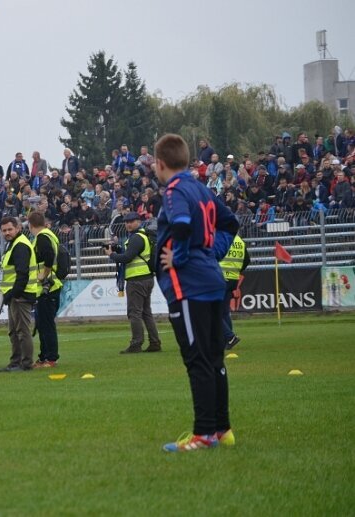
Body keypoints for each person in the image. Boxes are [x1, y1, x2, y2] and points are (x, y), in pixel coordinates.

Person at [152, 134, 240, 452]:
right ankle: (222, 429)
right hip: (212, 281)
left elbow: (182, 225)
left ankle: (203, 434)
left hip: (188, 286)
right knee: (214, 358)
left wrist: (182, 256)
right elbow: (231, 223)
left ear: (159, 164)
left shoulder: (174, 190)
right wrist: (211, 252)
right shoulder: (201, 188)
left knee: (197, 360)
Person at [105, 212, 162, 353]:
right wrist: (118, 251)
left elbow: (127, 258)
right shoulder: (142, 236)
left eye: (131, 221)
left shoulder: (136, 238)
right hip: (146, 278)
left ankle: (136, 344)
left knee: (134, 313)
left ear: (139, 221)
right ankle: (155, 342)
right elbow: (130, 254)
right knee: (146, 313)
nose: (128, 224)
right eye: (126, 222)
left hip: (137, 280)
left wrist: (111, 255)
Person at [0, 216, 40, 372]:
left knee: (22, 331)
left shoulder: (20, 246)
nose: (7, 232)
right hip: (16, 294)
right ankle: (16, 362)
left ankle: (26, 363)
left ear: (18, 228)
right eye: (4, 230)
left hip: (20, 295)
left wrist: (13, 294)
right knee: (14, 331)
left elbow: (22, 274)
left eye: (9, 229)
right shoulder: (15, 244)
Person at [28, 212, 62, 368]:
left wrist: (43, 274)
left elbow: (48, 255)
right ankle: (43, 357)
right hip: (48, 287)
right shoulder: (49, 235)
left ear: (30, 225)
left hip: (47, 287)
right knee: (42, 324)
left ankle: (50, 358)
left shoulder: (42, 237)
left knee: (46, 325)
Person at [219, 233, 250, 350]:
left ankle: (229, 336)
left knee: (212, 312)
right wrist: (236, 270)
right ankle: (227, 341)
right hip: (233, 278)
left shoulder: (220, 237)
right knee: (224, 311)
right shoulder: (239, 240)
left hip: (219, 277)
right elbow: (247, 260)